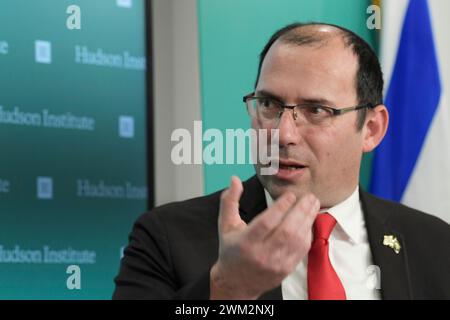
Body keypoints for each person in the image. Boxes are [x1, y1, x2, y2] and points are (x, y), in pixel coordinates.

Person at [113, 22, 450, 300]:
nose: (283, 134)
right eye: (269, 104)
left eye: (316, 110)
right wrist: (228, 288)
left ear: (371, 129)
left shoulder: (435, 245)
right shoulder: (167, 238)